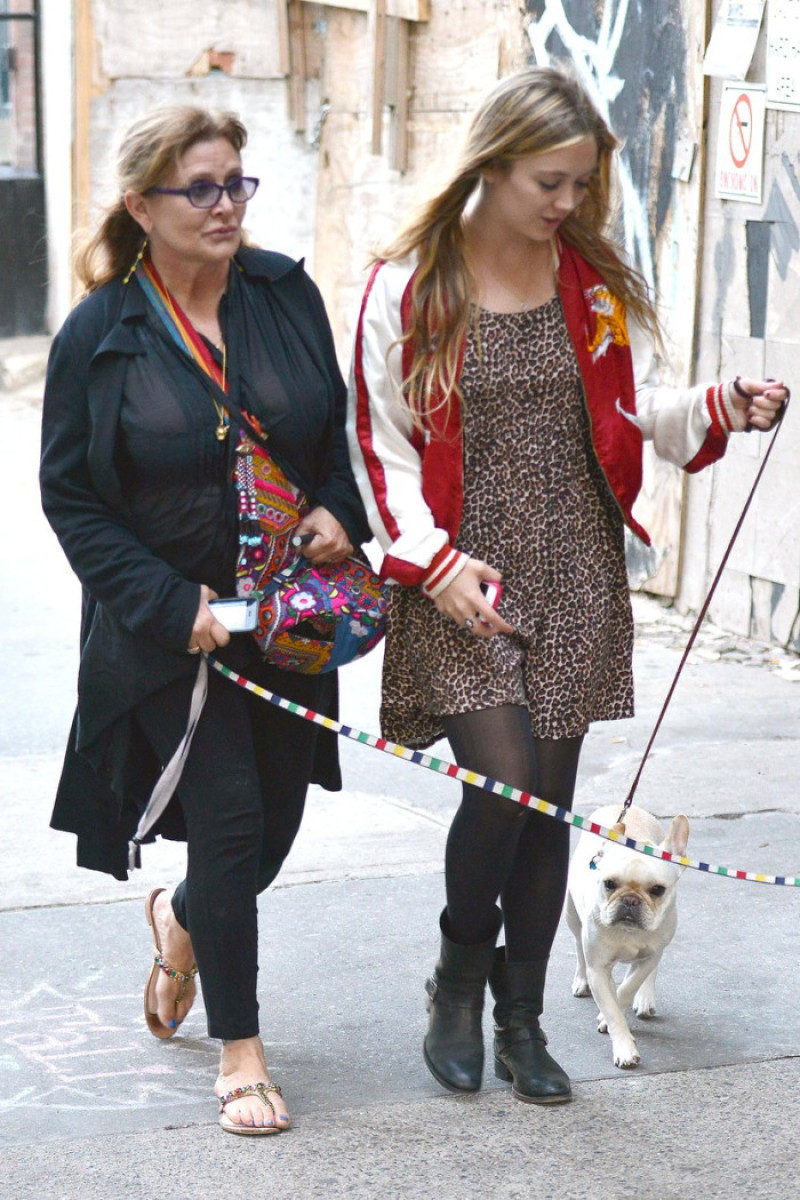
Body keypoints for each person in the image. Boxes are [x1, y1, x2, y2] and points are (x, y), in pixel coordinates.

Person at [346, 64, 786, 1105]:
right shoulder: (411, 284)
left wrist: (716, 407)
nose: (568, 201)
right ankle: (458, 983)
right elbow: (377, 445)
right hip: (462, 572)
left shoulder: (584, 278)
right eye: (550, 181)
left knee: (544, 807)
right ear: (493, 165)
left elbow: (620, 417)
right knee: (500, 787)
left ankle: (524, 1020)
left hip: (576, 565)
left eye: (582, 183)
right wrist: (431, 564)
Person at [40, 106, 370, 1135]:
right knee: (227, 822)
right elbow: (71, 496)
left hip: (286, 619)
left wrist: (338, 511)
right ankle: (241, 1052)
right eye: (200, 188)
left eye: (235, 182)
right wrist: (161, 600)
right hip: (173, 633)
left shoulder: (282, 293)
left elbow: (333, 435)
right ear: (142, 206)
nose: (225, 205)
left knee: (272, 828)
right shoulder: (102, 332)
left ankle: (182, 921)